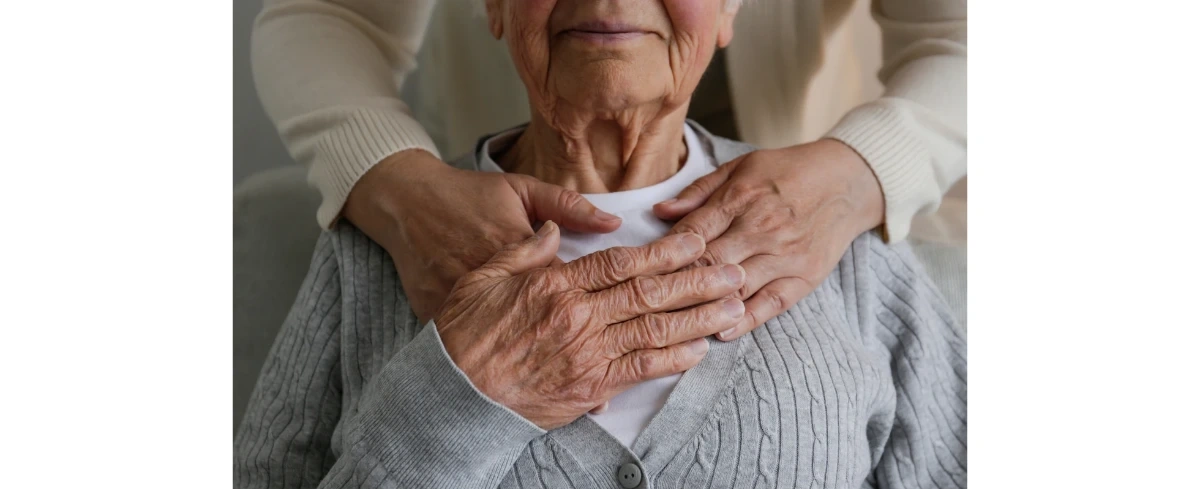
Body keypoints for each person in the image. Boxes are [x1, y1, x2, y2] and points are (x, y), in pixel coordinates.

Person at [234, 1, 967, 487]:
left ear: (728, 7)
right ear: (492, 4)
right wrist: (454, 399)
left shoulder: (841, 247)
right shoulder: (385, 246)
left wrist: (863, 171)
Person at [249, 0, 967, 340]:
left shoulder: (867, 290)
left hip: (801, 201)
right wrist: (398, 186)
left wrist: (858, 173)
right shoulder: (367, 274)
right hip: (480, 201)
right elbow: (327, 11)